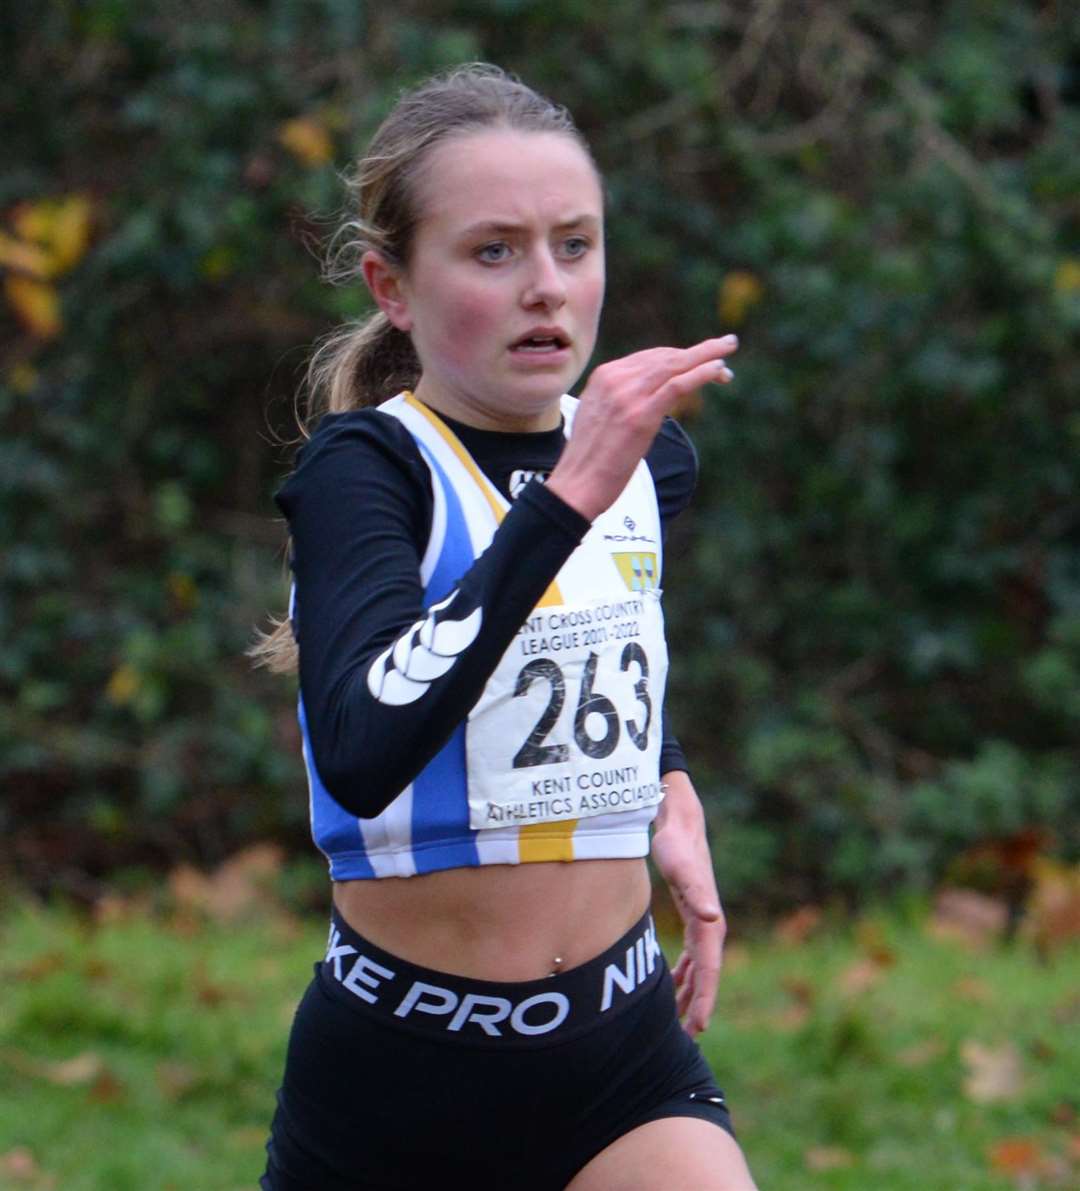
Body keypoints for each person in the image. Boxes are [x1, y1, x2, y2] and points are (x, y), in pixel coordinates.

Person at [254, 63, 756, 1191]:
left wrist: (663, 779)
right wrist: (567, 497)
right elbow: (363, 745)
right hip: (402, 1083)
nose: (547, 287)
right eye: (494, 252)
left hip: (621, 1053)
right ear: (392, 285)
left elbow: (598, 641)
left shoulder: (646, 457)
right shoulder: (366, 472)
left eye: (574, 246)